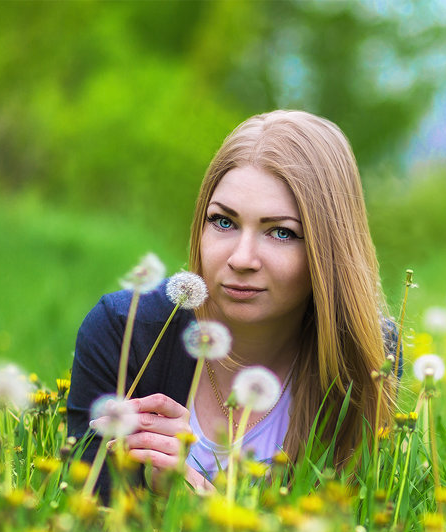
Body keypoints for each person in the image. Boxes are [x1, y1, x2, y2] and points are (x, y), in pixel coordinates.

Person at [67, 110, 398, 495]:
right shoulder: (125, 335)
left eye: (280, 232)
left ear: (329, 249)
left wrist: (193, 498)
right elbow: (88, 525)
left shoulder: (365, 355)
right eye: (224, 222)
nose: (241, 259)